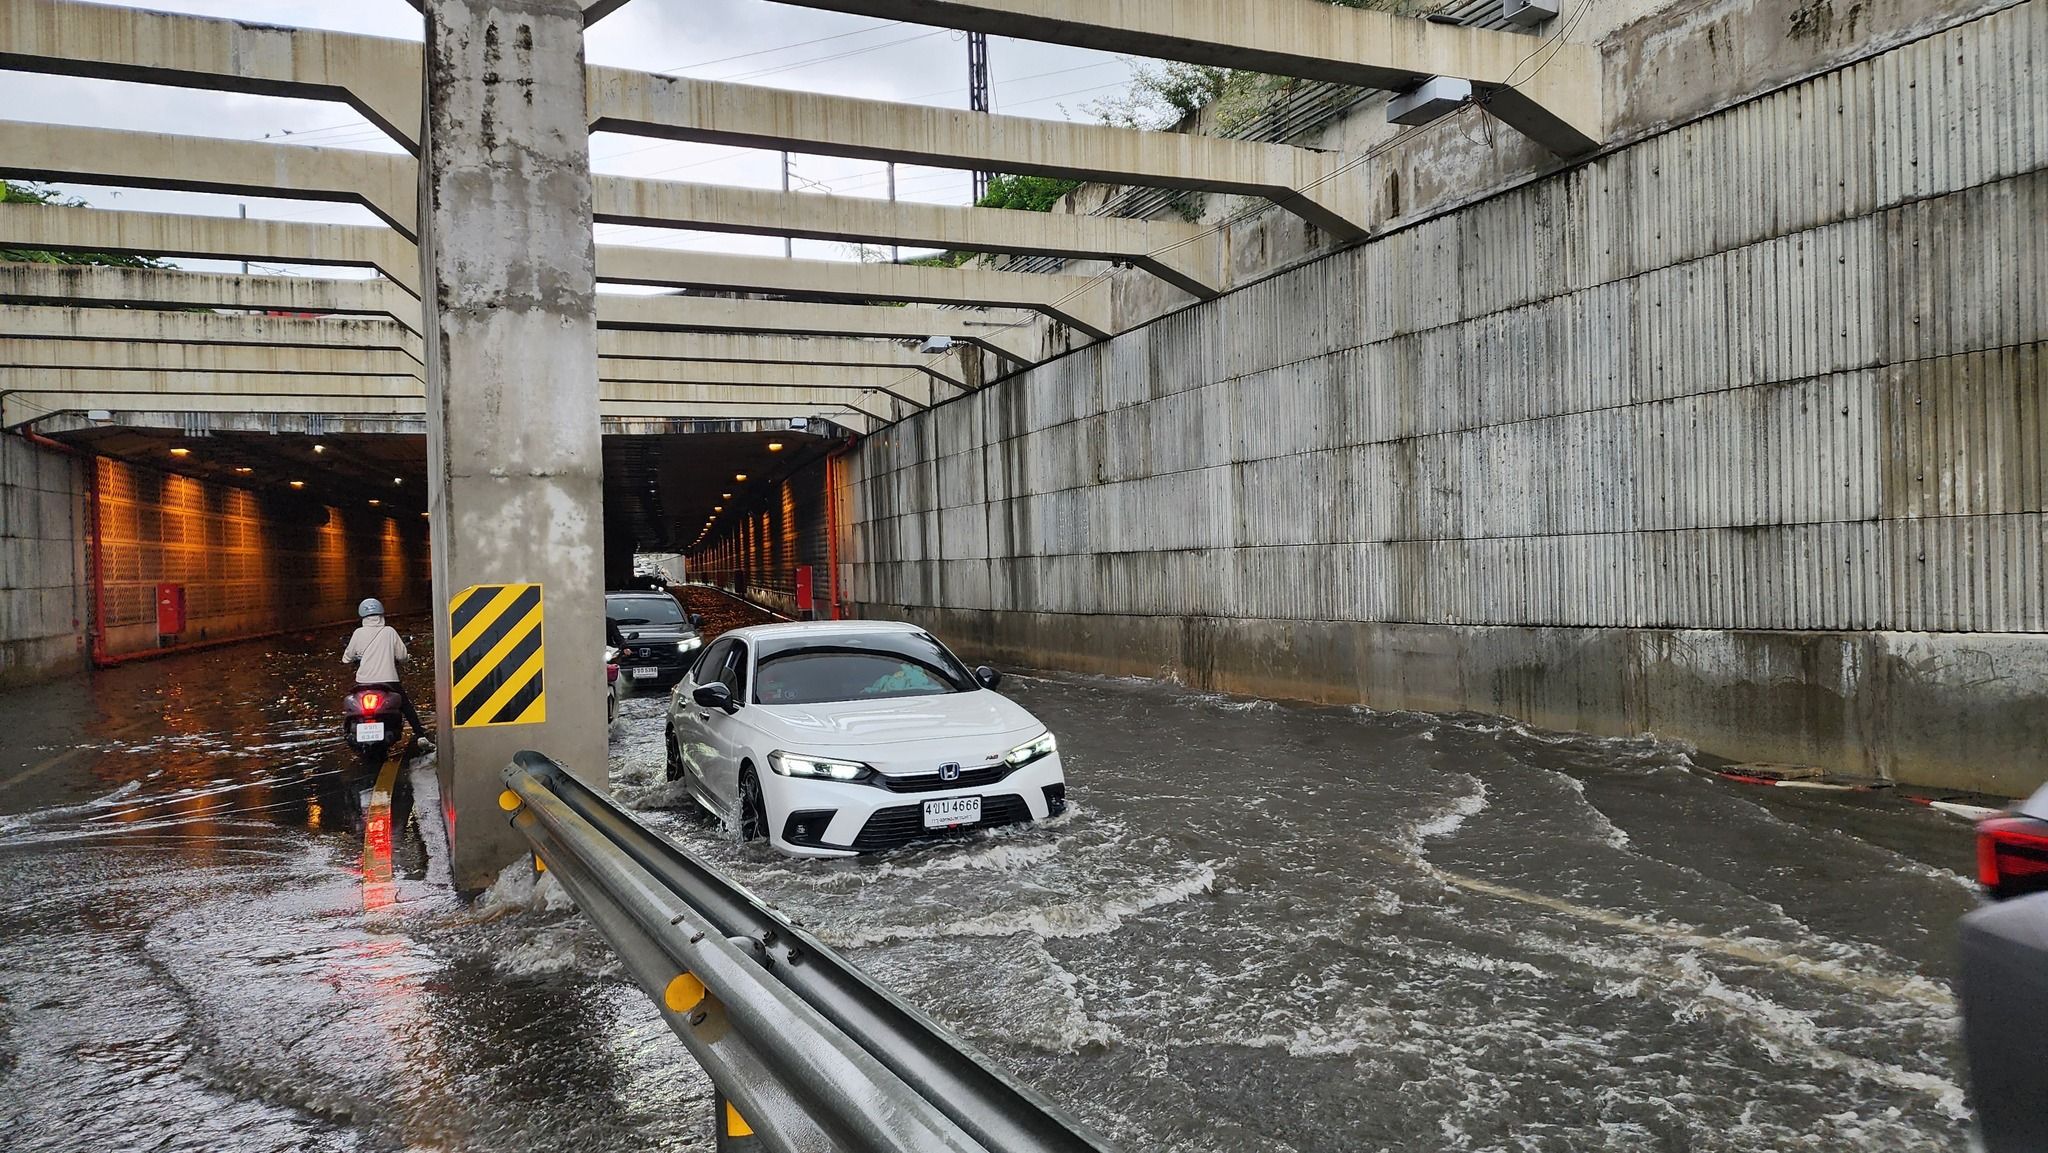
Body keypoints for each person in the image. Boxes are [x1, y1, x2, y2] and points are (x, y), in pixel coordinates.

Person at [343, 597, 433, 751]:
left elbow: (347, 658)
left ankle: (349, 731)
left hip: (363, 683)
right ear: (382, 614)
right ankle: (420, 736)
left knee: (353, 708)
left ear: (362, 616)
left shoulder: (358, 633)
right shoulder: (389, 632)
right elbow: (403, 656)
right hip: (389, 681)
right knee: (406, 706)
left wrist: (354, 658)